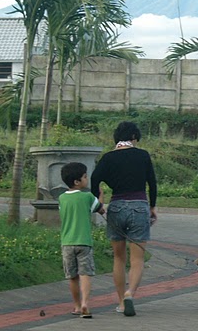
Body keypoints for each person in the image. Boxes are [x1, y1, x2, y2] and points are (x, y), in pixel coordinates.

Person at [91, 121, 157, 317]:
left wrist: (98, 201)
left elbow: (95, 179)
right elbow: (152, 183)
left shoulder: (108, 158)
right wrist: (152, 207)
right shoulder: (143, 155)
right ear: (134, 138)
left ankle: (120, 301)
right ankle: (130, 293)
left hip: (117, 206)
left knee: (119, 258)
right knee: (137, 259)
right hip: (139, 206)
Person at [58, 161, 105, 319]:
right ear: (77, 181)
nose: (87, 179)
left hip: (67, 242)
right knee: (85, 274)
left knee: (72, 277)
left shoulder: (62, 198)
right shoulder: (87, 197)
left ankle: (77, 306)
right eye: (85, 177)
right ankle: (85, 303)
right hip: (84, 242)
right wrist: (101, 196)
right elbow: (100, 209)